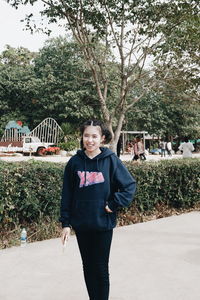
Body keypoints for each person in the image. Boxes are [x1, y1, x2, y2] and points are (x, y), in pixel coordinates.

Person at [60, 119, 136, 300]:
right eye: (87, 135)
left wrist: (113, 204)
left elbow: (129, 186)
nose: (90, 140)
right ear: (82, 137)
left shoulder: (110, 160)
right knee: (88, 267)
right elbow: (67, 194)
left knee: (101, 269)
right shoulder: (74, 162)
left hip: (102, 224)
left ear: (102, 138)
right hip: (82, 224)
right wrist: (66, 223)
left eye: (94, 136)